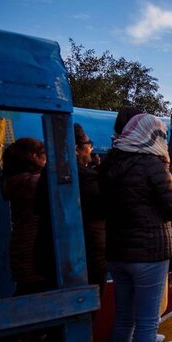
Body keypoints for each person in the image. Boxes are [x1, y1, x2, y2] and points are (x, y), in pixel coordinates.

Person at [99, 113, 172, 342]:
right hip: (150, 254)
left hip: (118, 253)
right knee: (148, 323)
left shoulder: (110, 164)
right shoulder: (153, 166)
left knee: (123, 319)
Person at [0, 138, 55, 296]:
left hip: (21, 249)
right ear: (33, 156)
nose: (47, 158)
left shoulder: (14, 182)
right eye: (44, 153)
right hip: (36, 251)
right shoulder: (34, 182)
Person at [73, 123, 108, 295]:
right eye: (89, 144)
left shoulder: (48, 174)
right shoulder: (86, 178)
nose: (91, 148)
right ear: (76, 148)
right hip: (90, 256)